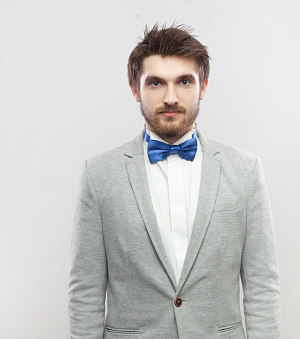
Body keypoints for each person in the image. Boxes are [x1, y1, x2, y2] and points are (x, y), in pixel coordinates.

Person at [69, 24, 281, 339]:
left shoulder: (245, 170)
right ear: (134, 88)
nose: (171, 97)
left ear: (203, 87)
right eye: (156, 83)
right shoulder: (99, 175)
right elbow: (85, 291)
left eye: (184, 81)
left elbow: (261, 285)